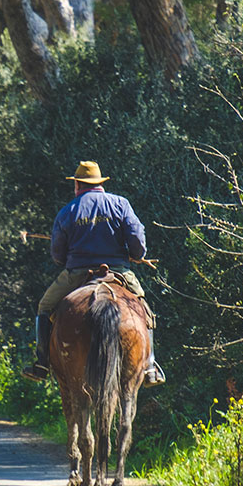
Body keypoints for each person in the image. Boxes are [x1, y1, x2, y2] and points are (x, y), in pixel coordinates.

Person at [24, 161, 165, 386]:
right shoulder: (121, 204)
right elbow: (138, 245)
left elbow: (58, 255)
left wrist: (71, 258)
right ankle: (149, 365)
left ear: (77, 185)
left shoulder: (67, 211)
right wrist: (134, 255)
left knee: (44, 306)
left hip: (77, 274)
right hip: (119, 273)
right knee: (144, 309)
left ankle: (41, 363)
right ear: (100, 183)